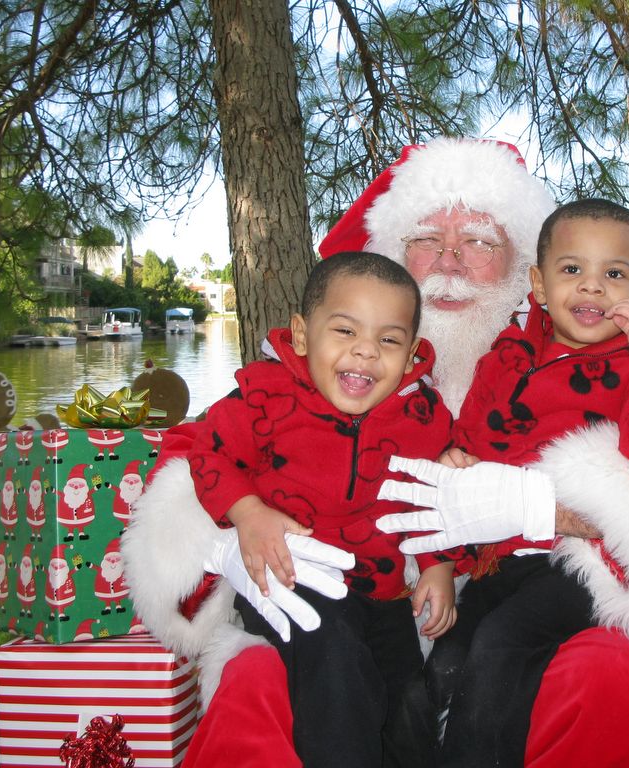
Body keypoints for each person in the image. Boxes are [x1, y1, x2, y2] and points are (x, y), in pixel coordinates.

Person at [123, 137, 629, 767]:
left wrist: (539, 503)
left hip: (539, 613)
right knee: (260, 686)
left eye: (480, 241)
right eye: (426, 239)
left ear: (523, 270)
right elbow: (191, 458)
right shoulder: (309, 374)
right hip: (349, 620)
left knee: (610, 676)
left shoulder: (613, 366)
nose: (449, 260)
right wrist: (230, 539)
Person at [397, 197, 629, 766]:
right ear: (539, 284)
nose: (591, 288)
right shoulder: (505, 360)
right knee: (447, 659)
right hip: (503, 559)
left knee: (502, 646)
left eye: (614, 275)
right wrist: (443, 553)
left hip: (584, 564)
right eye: (572, 270)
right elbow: (467, 452)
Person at [186, 252, 458, 766]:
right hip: (292, 580)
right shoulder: (265, 396)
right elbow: (208, 453)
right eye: (345, 330)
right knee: (336, 675)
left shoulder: (422, 416)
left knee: (407, 702)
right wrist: (248, 512)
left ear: (412, 352)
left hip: (382, 591)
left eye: (389, 340)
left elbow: (435, 496)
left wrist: (440, 564)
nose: (365, 352)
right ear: (303, 333)